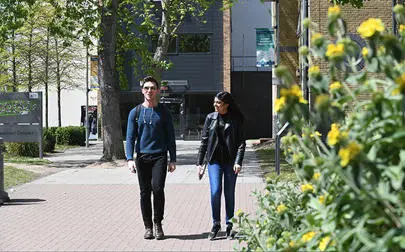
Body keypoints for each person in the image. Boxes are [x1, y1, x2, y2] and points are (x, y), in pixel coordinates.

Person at [126, 76, 176, 240]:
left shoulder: (163, 112)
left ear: (158, 90)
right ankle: (147, 226)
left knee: (158, 189)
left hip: (159, 156)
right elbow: (130, 137)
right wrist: (129, 159)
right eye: (146, 88)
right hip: (141, 157)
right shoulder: (135, 112)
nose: (149, 90)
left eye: (152, 88)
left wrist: (172, 158)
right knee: (144, 192)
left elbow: (170, 137)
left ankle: (158, 224)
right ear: (142, 90)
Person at [196, 91, 246, 240]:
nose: (215, 105)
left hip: (231, 162)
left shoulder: (236, 120)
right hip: (214, 161)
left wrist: (238, 161)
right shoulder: (210, 118)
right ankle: (216, 224)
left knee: (229, 193)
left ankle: (229, 224)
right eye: (215, 102)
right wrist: (200, 163)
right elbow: (204, 141)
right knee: (215, 190)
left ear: (226, 105)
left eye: (218, 103)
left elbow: (241, 143)